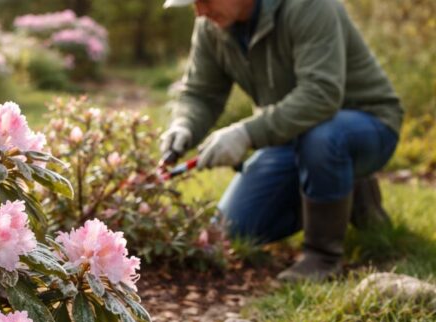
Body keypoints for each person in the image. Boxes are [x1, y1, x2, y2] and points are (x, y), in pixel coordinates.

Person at [159, 0, 403, 281]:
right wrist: (184, 126)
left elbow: (320, 94)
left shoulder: (309, 7)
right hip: (290, 136)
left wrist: (245, 133)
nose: (200, 12)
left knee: (324, 138)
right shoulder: (211, 26)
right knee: (232, 231)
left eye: (205, 0)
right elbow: (201, 93)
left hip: (364, 123)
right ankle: (344, 187)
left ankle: (322, 256)